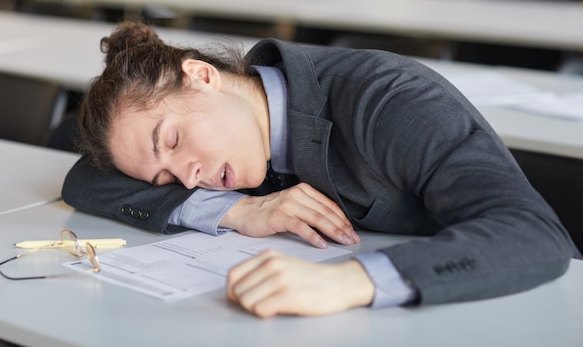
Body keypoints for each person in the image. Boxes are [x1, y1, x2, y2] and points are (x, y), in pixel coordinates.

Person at [62, 21, 579, 318]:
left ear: (201, 76)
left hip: (504, 303)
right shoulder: (236, 138)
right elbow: (83, 179)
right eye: (167, 179)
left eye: (172, 140)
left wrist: (347, 283)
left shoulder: (385, 99)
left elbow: (536, 237)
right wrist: (238, 210)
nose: (190, 177)